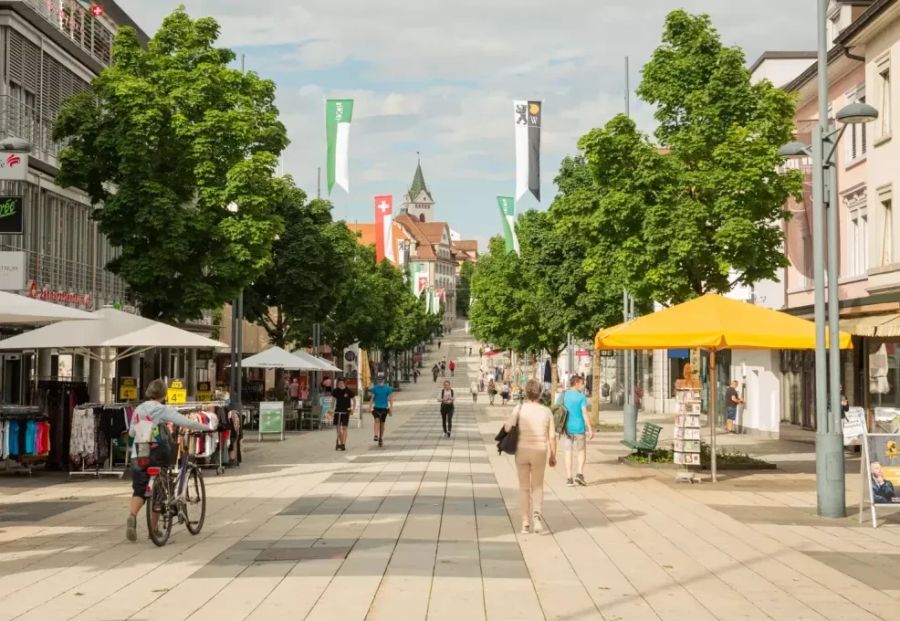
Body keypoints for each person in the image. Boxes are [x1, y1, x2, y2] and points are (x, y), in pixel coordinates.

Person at [126, 379, 208, 543]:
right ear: (163, 395)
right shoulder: (162, 409)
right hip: (157, 454)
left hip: (139, 453)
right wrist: (206, 427)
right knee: (159, 491)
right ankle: (154, 530)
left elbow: (132, 433)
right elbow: (184, 421)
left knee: (139, 490)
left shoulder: (138, 409)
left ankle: (132, 516)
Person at [504, 379, 557, 534]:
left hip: (521, 451)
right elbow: (552, 437)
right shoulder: (546, 411)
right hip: (539, 452)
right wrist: (553, 456)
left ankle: (525, 523)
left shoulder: (519, 409)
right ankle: (537, 519)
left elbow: (507, 428)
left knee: (524, 488)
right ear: (540, 393)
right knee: (538, 486)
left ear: (526, 393)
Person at [559, 375, 593, 487]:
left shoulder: (563, 395)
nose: (583, 385)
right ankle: (579, 474)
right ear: (577, 383)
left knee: (568, 452)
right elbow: (584, 413)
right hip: (579, 428)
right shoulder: (581, 397)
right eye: (582, 383)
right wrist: (590, 428)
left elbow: (557, 408)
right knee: (581, 451)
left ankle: (569, 478)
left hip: (566, 428)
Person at [368, 374, 393, 447]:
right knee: (376, 420)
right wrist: (369, 407)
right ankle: (376, 435)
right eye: (379, 380)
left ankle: (381, 438)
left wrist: (391, 408)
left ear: (384, 380)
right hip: (376, 407)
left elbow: (391, 399)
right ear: (377, 381)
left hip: (384, 408)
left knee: (382, 424)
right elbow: (372, 398)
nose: (380, 381)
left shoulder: (388, 388)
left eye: (381, 380)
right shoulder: (374, 388)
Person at [331, 378, 355, 451]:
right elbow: (333, 401)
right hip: (337, 411)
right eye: (339, 383)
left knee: (344, 428)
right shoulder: (335, 391)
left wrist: (352, 409)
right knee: (338, 429)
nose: (340, 384)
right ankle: (341, 443)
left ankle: (343, 444)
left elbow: (354, 400)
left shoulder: (348, 391)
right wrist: (331, 409)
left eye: (341, 383)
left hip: (346, 411)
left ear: (344, 383)